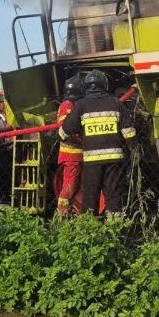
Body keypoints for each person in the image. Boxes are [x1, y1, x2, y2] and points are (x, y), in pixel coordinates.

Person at [58, 70, 136, 216]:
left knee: (90, 196)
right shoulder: (116, 103)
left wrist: (61, 136)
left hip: (91, 162)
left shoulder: (81, 106)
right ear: (105, 85)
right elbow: (129, 132)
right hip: (114, 160)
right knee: (113, 195)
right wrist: (133, 148)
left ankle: (91, 227)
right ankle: (115, 227)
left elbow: (64, 131)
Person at [52, 73, 86, 216]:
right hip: (71, 155)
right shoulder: (67, 105)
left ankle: (76, 213)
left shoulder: (72, 104)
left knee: (81, 186)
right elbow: (65, 130)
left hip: (78, 155)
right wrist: (83, 140)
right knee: (69, 187)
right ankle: (61, 215)